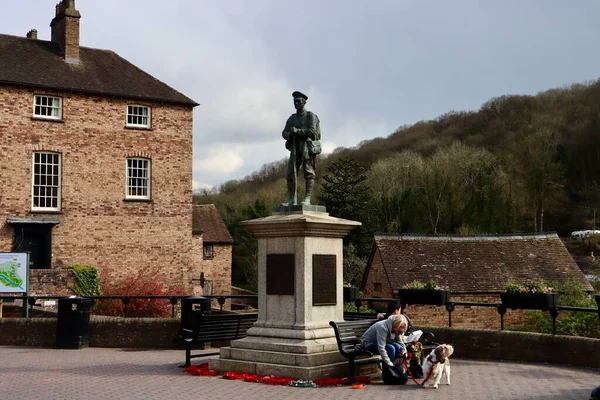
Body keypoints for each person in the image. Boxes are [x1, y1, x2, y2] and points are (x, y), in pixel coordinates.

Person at [282, 91, 321, 206]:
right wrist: (289, 134)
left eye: (299, 101)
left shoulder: (310, 116)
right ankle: (292, 200)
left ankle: (307, 198)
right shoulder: (292, 118)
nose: (296, 103)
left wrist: (297, 131)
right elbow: (284, 132)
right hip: (294, 148)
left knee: (308, 173)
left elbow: (313, 132)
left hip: (306, 148)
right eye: (295, 101)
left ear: (304, 102)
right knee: (290, 174)